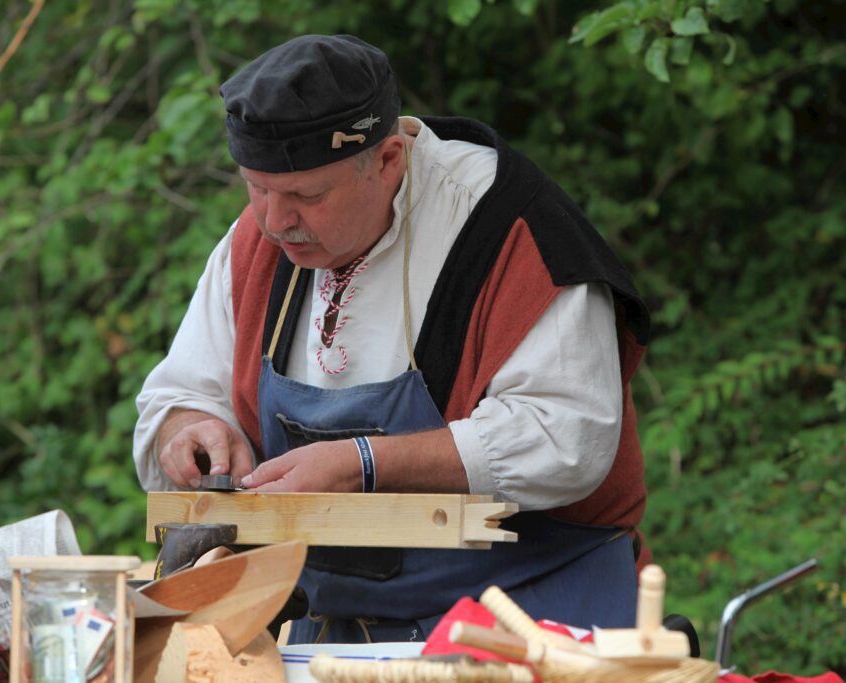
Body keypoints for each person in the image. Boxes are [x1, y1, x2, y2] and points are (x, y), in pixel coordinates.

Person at [133, 33, 651, 645]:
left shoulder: (509, 230)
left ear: (387, 161)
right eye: (256, 188)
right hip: (337, 641)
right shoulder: (263, 239)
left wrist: (363, 465)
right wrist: (190, 428)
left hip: (531, 629)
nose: (274, 222)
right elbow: (181, 393)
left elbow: (566, 435)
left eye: (306, 195)